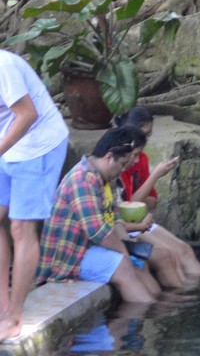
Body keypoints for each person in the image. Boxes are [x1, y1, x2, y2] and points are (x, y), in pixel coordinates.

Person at [36, 131, 158, 312]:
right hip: (68, 258)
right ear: (109, 157)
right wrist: (125, 253)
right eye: (123, 164)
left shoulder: (100, 177)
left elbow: (115, 219)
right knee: (122, 265)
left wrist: (129, 247)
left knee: (139, 261)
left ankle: (155, 310)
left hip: (86, 248)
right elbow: (97, 231)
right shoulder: (83, 179)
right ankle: (146, 315)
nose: (124, 169)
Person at [0, 46, 69, 342]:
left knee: (21, 227)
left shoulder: (3, 65)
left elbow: (28, 114)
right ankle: (2, 302)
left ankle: (14, 315)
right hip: (7, 145)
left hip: (38, 144)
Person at [109, 108, 200, 290]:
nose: (145, 141)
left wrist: (138, 202)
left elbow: (151, 202)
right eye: (143, 135)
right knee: (170, 255)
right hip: (128, 226)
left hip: (139, 221)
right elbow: (126, 209)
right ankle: (186, 296)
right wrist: (156, 176)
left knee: (185, 250)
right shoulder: (119, 162)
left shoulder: (140, 159)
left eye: (148, 135)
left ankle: (198, 293)